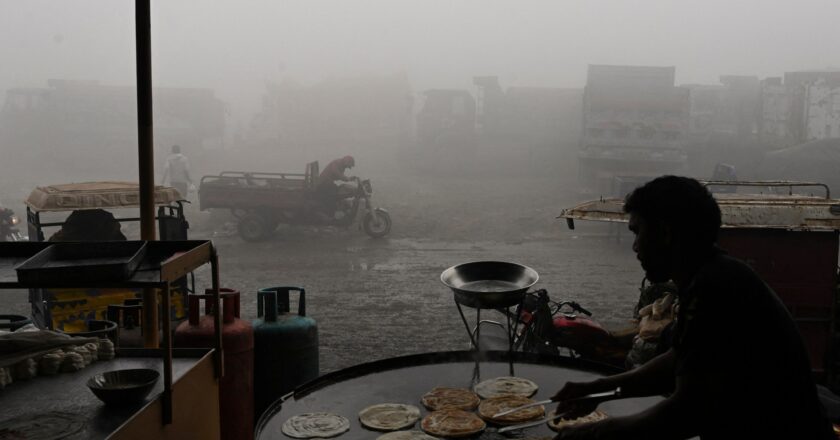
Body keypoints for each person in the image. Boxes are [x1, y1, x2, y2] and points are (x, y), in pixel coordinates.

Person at [552, 176, 833, 440]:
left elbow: (688, 412)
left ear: (664, 233)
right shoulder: (710, 277)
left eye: (637, 232)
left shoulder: (716, 288)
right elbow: (680, 359)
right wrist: (597, 390)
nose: (635, 246)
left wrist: (597, 433)